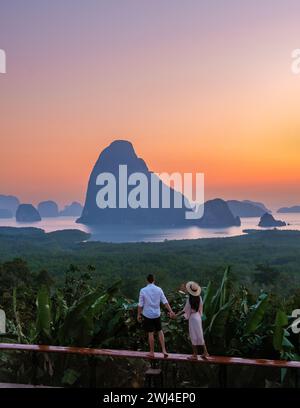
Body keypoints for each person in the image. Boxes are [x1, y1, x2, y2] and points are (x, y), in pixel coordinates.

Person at [137, 274, 175, 358]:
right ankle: (164, 350)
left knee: (150, 333)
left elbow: (140, 305)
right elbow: (165, 302)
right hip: (157, 314)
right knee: (160, 331)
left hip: (147, 315)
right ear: (154, 280)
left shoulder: (143, 290)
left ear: (146, 280)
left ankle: (152, 352)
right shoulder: (159, 289)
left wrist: (138, 314)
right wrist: (171, 311)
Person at [176, 281, 209, 360]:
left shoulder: (190, 299)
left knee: (193, 335)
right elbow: (201, 308)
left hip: (193, 318)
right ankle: (205, 352)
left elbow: (185, 310)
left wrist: (176, 315)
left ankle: (195, 354)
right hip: (198, 316)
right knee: (200, 334)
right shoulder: (199, 298)